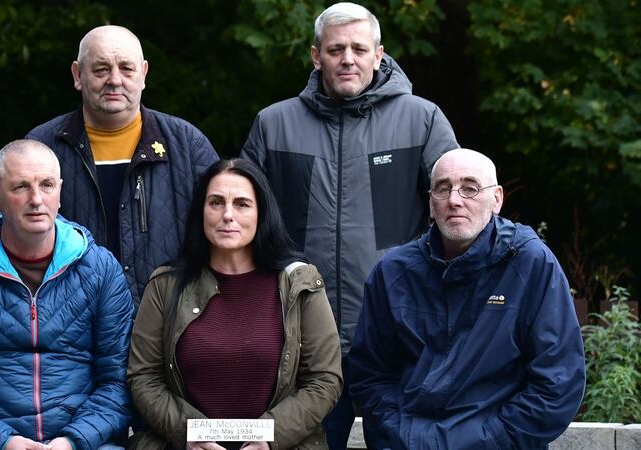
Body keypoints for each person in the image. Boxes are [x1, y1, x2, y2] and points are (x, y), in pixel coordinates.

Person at [240, 2, 459, 447]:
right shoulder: (273, 124)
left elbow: (459, 214)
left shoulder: (422, 118)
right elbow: (241, 223)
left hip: (399, 333)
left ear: (379, 55)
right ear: (315, 55)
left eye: (359, 48)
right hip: (301, 337)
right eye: (336, 49)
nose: (348, 59)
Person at [348, 148, 586, 449]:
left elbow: (557, 384)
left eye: (470, 188)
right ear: (431, 203)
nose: (454, 200)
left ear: (496, 199)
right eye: (443, 188)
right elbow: (369, 374)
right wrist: (406, 435)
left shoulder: (530, 264)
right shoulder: (392, 272)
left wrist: (485, 440)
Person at [0, 140, 134, 450]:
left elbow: (120, 379)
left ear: (59, 191)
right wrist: (2, 442)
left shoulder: (100, 269)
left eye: (46, 185)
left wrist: (73, 440)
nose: (36, 199)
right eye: (20, 187)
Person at [127, 159, 343, 450]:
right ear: (201, 212)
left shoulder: (299, 283)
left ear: (262, 213)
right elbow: (144, 377)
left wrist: (271, 437)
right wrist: (188, 434)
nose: (227, 214)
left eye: (242, 204)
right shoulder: (165, 285)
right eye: (216, 202)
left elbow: (324, 379)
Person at [27, 25, 219, 304]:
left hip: (167, 324)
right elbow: (6, 232)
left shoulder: (187, 146)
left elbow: (227, 235)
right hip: (68, 326)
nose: (114, 80)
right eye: (101, 69)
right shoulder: (41, 148)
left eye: (126, 69)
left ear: (143, 74)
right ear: (77, 75)